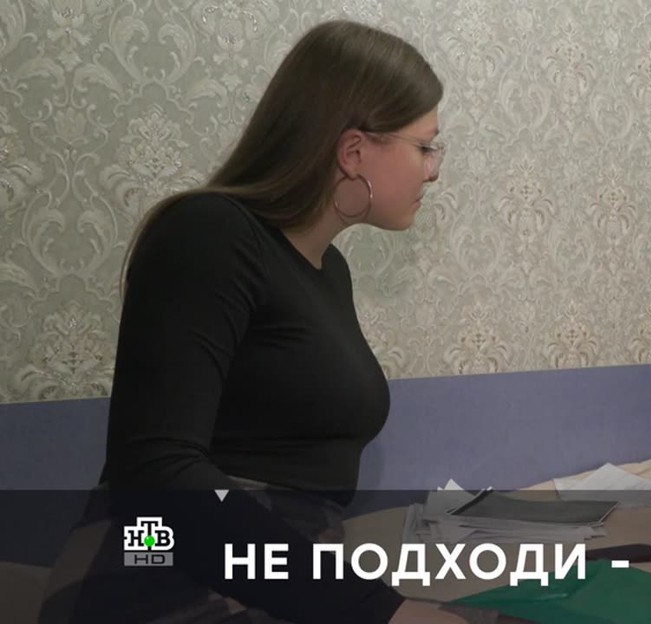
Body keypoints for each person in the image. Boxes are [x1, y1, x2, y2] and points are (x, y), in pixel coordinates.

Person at [38, 20, 467, 624]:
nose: (433, 170)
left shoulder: (330, 273)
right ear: (353, 151)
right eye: (424, 147)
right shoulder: (210, 234)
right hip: (169, 567)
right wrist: (376, 609)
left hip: (280, 564)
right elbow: (158, 472)